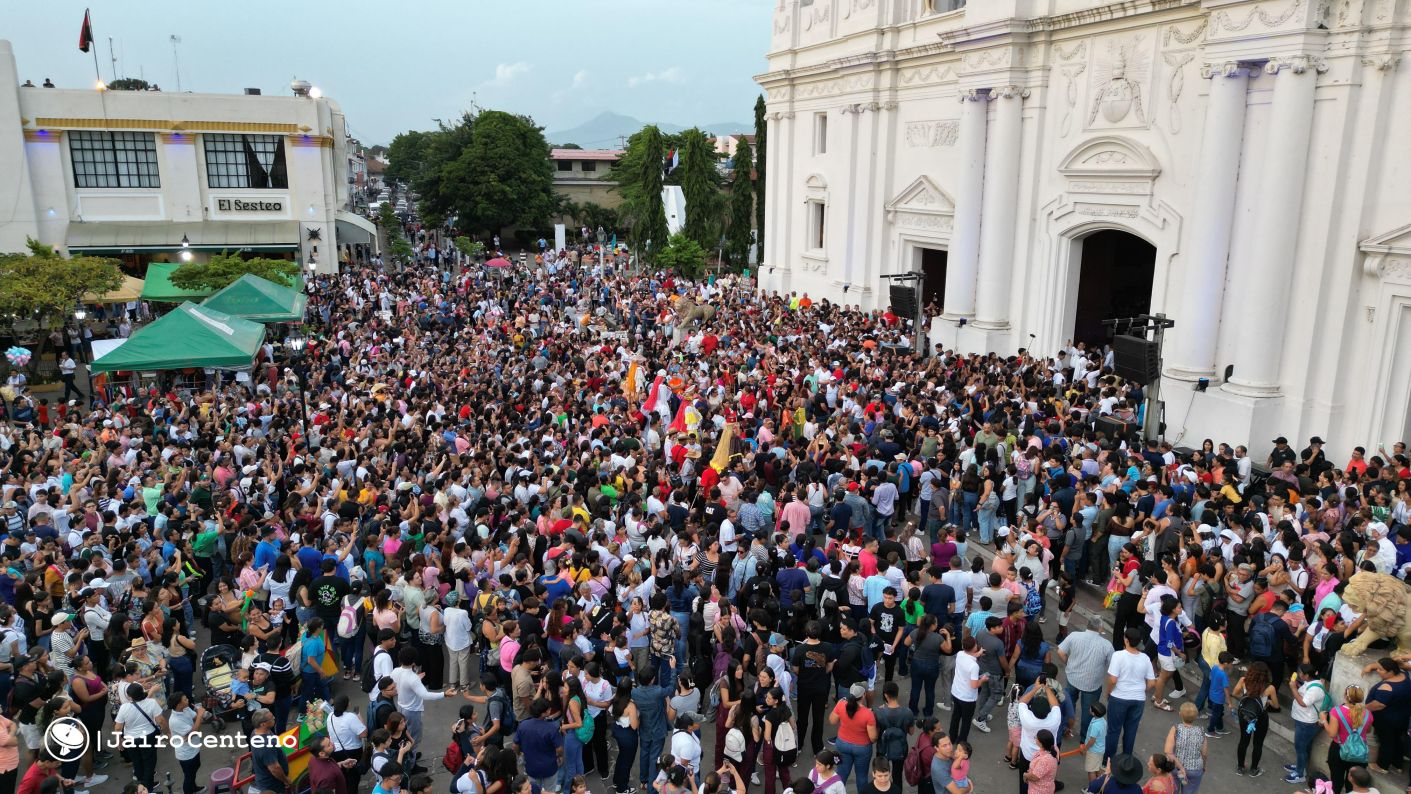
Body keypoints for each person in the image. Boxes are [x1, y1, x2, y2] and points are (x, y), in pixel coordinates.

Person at [1056, 615, 1113, 739]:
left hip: (1072, 678)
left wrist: (1068, 663)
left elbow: (1060, 651)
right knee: (1089, 712)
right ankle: (1084, 739)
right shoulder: (1106, 645)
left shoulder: (1074, 636)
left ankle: (1066, 728)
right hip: (1092, 684)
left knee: (1069, 705)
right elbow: (1113, 666)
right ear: (1100, 628)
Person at [1104, 627, 1155, 760]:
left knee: (1113, 731)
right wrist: (1141, 690)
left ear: (1126, 640)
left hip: (1119, 697)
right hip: (1138, 699)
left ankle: (1108, 761)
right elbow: (1151, 683)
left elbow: (1113, 680)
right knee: (1131, 731)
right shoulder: (1145, 658)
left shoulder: (1118, 656)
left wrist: (1108, 693)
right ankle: (1126, 762)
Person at [1362, 656, 1411, 775]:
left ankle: (1382, 766)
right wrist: (1371, 666)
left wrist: (1363, 708)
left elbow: (1379, 705)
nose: (1378, 671)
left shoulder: (1387, 687)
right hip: (1402, 716)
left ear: (1390, 672)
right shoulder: (1404, 675)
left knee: (1386, 742)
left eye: (1381, 670)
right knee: (1398, 740)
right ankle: (1397, 764)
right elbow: (1392, 662)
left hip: (1386, 721)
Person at [114, 682, 166, 789]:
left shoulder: (124, 707)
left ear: (129, 696)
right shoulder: (151, 703)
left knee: (137, 762)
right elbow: (160, 721)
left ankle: (140, 785)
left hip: (130, 740)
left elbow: (118, 727)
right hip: (148, 737)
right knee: (149, 763)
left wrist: (119, 740)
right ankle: (147, 787)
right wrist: (168, 733)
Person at [1323, 685, 1373, 794]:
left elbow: (1332, 733)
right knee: (1353, 785)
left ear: (1345, 696)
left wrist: (1324, 720)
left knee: (1336, 782)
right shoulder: (1368, 713)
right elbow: (1368, 730)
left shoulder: (1336, 711)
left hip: (1339, 749)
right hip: (1359, 751)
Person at [1232, 660, 1278, 776]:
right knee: (1258, 743)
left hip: (1245, 715)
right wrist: (1267, 701)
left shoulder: (1243, 681)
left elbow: (1235, 693)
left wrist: (1246, 697)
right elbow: (1276, 705)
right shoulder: (1270, 688)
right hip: (1261, 717)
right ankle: (1253, 769)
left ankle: (1240, 767)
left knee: (1243, 740)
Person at [829, 682, 878, 792]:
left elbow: (832, 721)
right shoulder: (868, 714)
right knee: (861, 776)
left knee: (841, 774)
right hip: (862, 748)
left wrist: (838, 704)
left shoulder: (841, 704)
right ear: (864, 695)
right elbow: (873, 738)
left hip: (842, 744)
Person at [1288, 663, 1330, 784]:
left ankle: (1300, 774)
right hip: (1302, 720)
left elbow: (1304, 703)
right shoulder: (1309, 683)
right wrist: (1297, 686)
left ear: (1307, 675)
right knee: (1304, 747)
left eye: (1301, 673)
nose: (1299, 674)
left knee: (1300, 747)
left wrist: (1293, 688)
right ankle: (1300, 767)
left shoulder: (1315, 689)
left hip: (1306, 723)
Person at [1163, 703, 1207, 794]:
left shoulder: (1176, 729)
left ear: (1180, 714)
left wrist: (1181, 767)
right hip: (1195, 769)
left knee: (1172, 790)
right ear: (1196, 717)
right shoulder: (1201, 731)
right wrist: (1204, 766)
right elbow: (1204, 753)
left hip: (1176, 768)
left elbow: (1168, 752)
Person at [168, 692, 204, 794]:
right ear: (179, 704)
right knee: (189, 776)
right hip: (186, 753)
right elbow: (195, 730)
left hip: (193, 746)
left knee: (195, 768)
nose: (187, 700)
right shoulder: (174, 720)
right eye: (185, 699)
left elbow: (196, 720)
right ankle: (189, 791)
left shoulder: (186, 709)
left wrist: (198, 716)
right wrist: (200, 715)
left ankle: (194, 788)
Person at [249, 709, 290, 794]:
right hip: (273, 784)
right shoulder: (266, 745)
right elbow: (275, 768)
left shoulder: (257, 732)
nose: (274, 718)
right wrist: (285, 780)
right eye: (271, 718)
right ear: (263, 724)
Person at [1022, 729, 1058, 794]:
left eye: (1036, 737)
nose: (1035, 738)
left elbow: (1035, 777)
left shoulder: (1044, 760)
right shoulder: (1054, 748)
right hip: (1047, 787)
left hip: (1038, 790)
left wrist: (1025, 775)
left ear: (1041, 743)